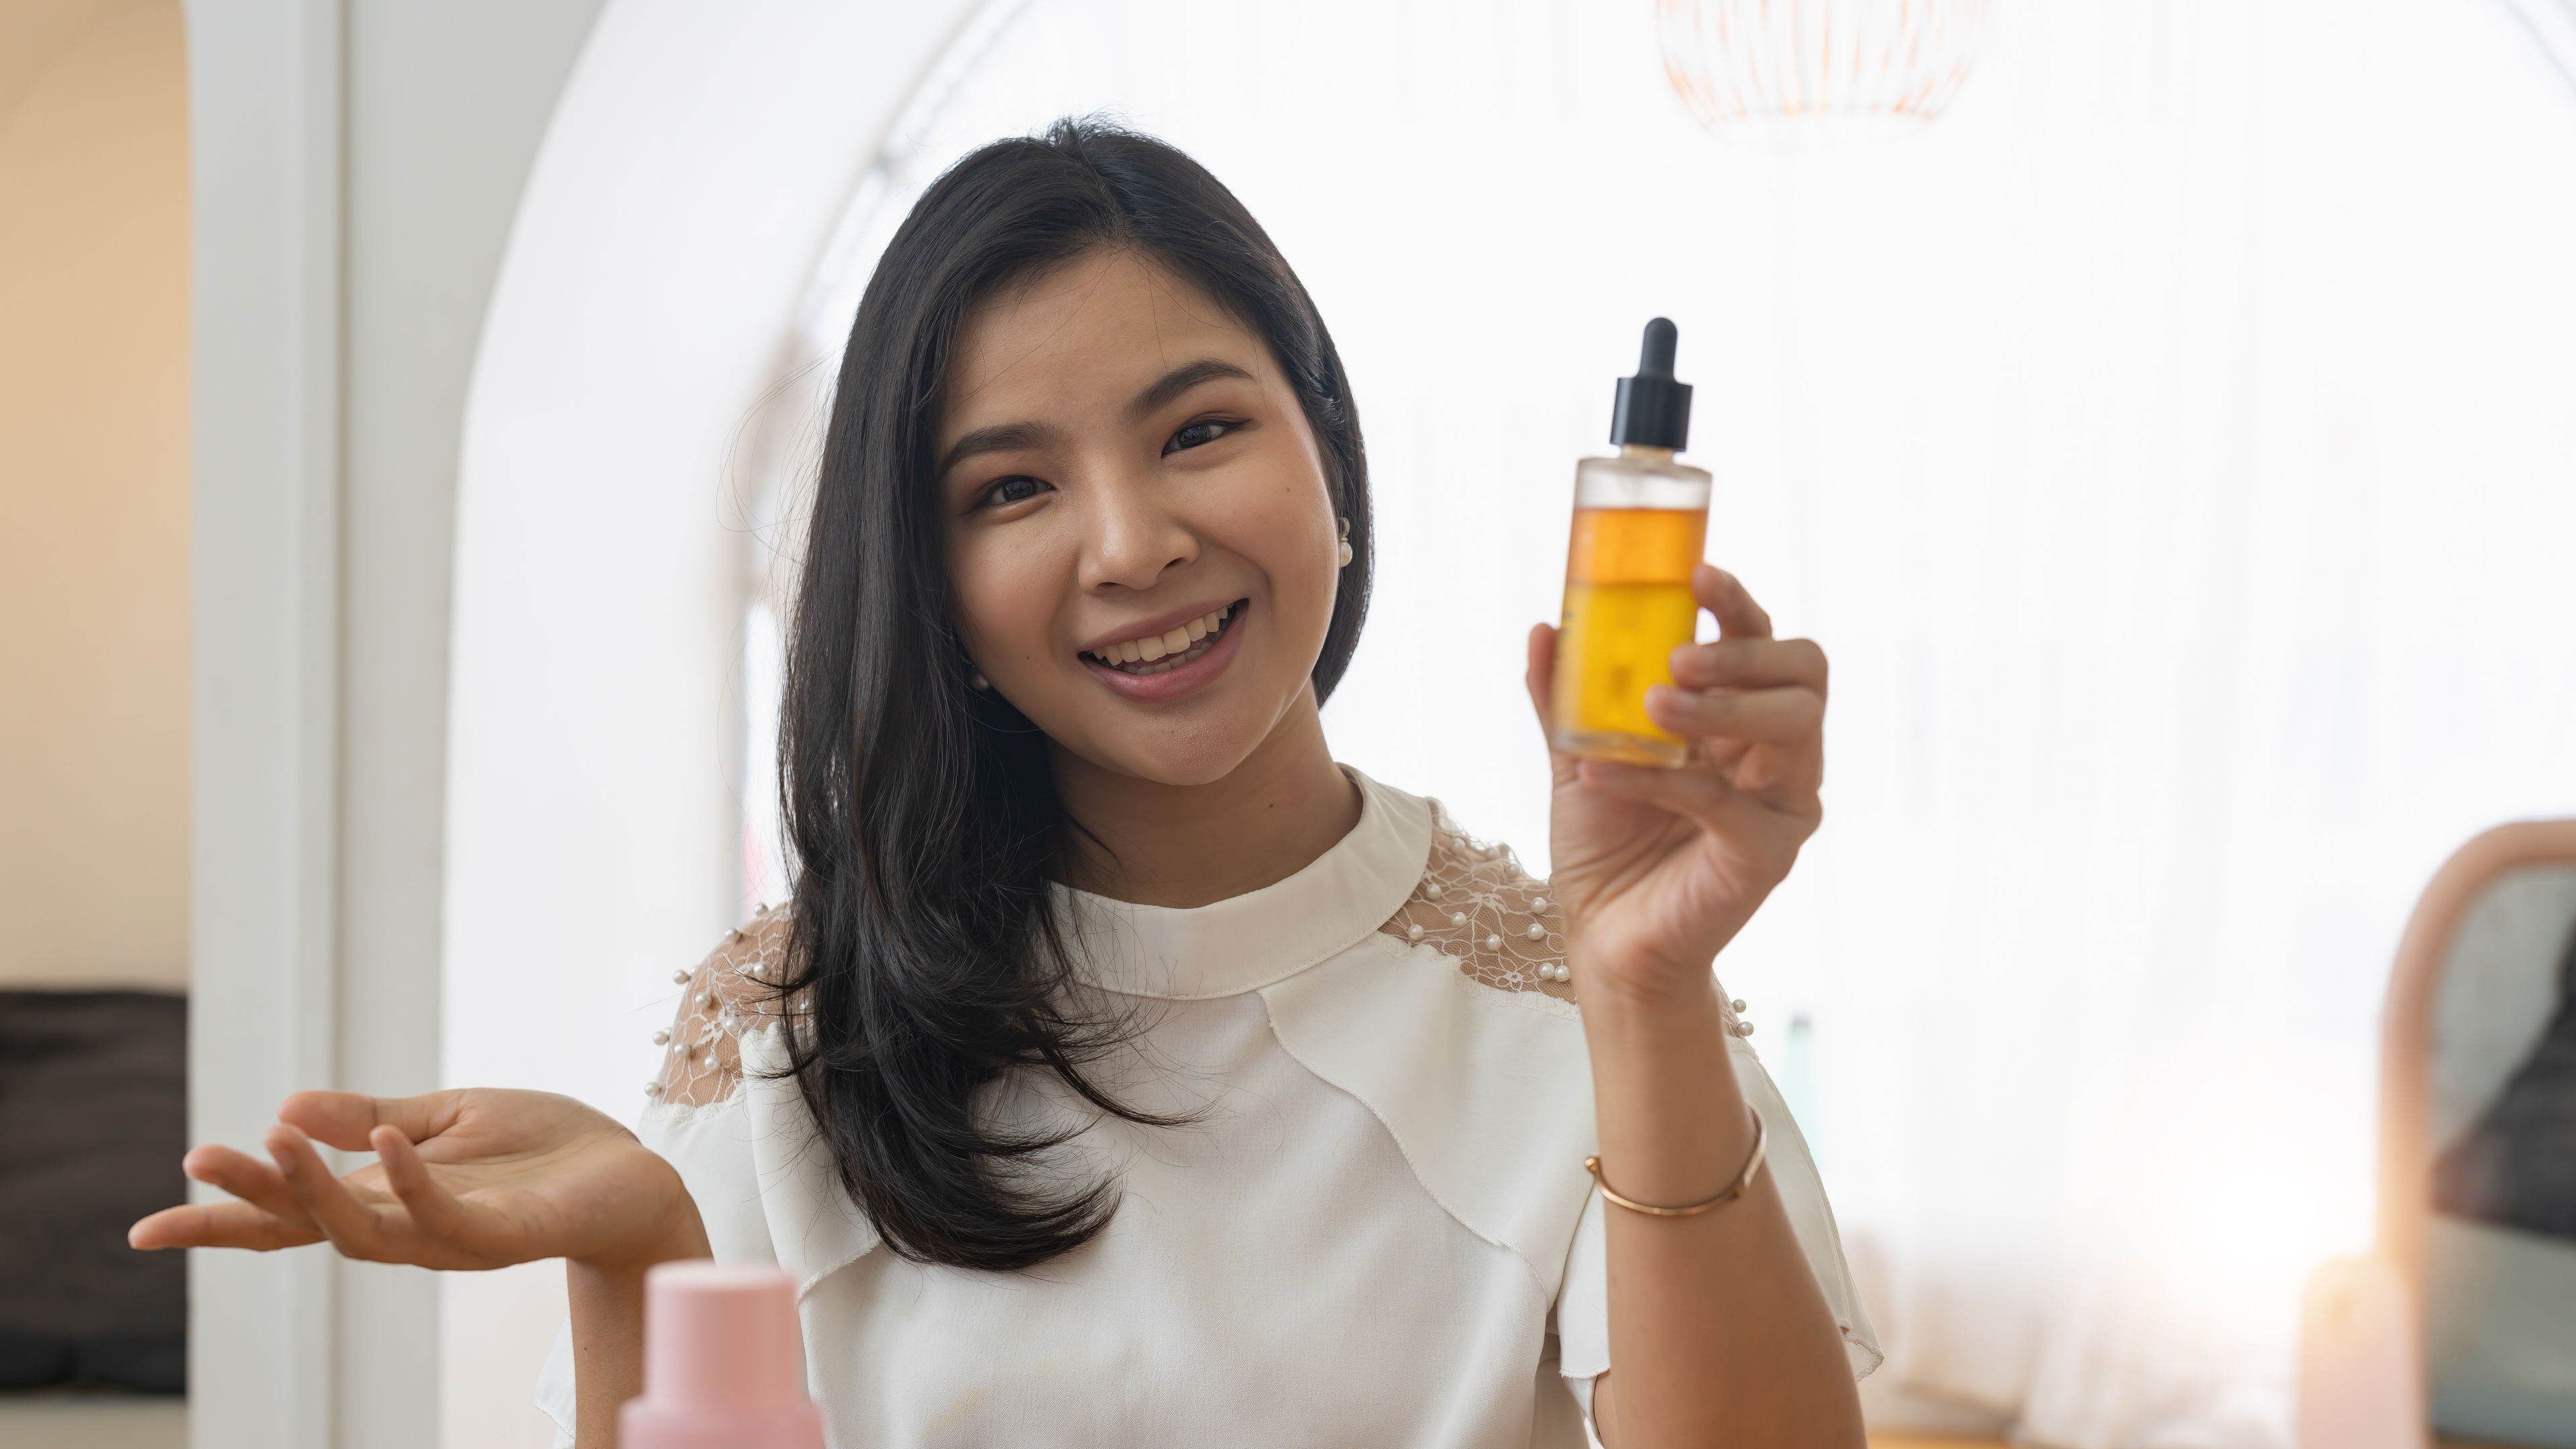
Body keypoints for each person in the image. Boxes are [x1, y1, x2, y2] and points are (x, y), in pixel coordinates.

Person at [132, 119, 1878, 1447]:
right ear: (935, 588)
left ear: (1330, 461)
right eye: (1011, 490)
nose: (1134, 544)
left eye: (1200, 429)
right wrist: (637, 1254)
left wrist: (1643, 991)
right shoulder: (795, 1038)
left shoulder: (1577, 1019)